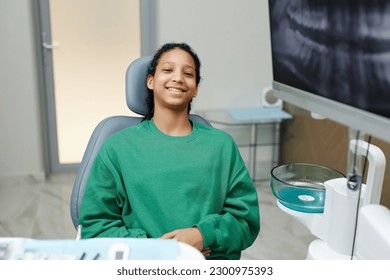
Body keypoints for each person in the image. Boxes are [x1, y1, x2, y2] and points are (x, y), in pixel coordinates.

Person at [78, 42, 260, 260]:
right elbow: (95, 229)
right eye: (167, 70)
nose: (178, 78)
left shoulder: (222, 146)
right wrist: (155, 251)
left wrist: (203, 235)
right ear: (150, 81)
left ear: (195, 89)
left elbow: (246, 222)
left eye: (188, 73)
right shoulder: (117, 148)